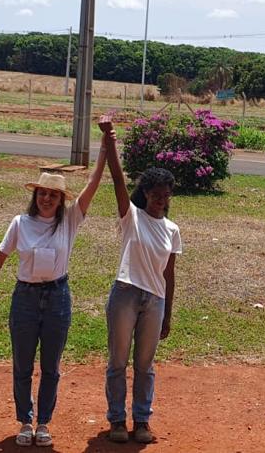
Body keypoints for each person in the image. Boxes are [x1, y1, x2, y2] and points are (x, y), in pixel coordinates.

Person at [0, 115, 115, 448]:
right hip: (25, 299)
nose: (46, 199)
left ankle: (44, 423)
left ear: (62, 200)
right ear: (35, 196)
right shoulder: (20, 223)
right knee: (22, 363)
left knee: (51, 365)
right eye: (42, 194)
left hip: (58, 298)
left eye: (53, 195)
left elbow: (93, 183)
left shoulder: (71, 221)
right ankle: (24, 421)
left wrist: (105, 147)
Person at [100, 134, 182, 445]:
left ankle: (142, 420)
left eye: (166, 194)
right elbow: (119, 182)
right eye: (157, 194)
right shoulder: (131, 218)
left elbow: (169, 275)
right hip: (126, 293)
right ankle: (117, 420)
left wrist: (167, 314)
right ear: (146, 193)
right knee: (118, 361)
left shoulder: (172, 230)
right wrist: (109, 143)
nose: (162, 199)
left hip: (155, 300)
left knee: (145, 366)